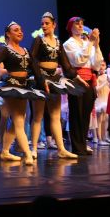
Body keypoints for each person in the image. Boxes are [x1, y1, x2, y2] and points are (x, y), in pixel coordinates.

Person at [0, 22, 45, 164]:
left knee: (20, 120)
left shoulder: (25, 51)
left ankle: (5, 151)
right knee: (18, 120)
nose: (20, 32)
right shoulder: (5, 50)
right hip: (11, 87)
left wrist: (43, 84)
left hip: (23, 87)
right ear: (8, 34)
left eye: (20, 30)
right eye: (16, 30)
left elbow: (35, 69)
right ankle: (28, 154)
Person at [28, 12, 80, 159]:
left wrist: (77, 77)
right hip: (41, 79)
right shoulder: (39, 40)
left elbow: (65, 64)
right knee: (38, 115)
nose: (44, 26)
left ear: (54, 25)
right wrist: (40, 79)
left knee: (55, 116)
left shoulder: (58, 42)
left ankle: (61, 149)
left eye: (47, 23)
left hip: (54, 80)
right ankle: (34, 148)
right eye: (42, 24)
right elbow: (32, 60)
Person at [63, 17, 102, 156]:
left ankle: (83, 143)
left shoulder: (87, 43)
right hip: (77, 80)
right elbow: (78, 60)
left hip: (89, 80)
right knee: (76, 113)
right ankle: (77, 146)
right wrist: (91, 42)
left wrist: (96, 45)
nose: (80, 26)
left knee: (85, 114)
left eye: (81, 24)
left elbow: (96, 65)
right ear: (70, 27)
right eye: (77, 24)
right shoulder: (68, 44)